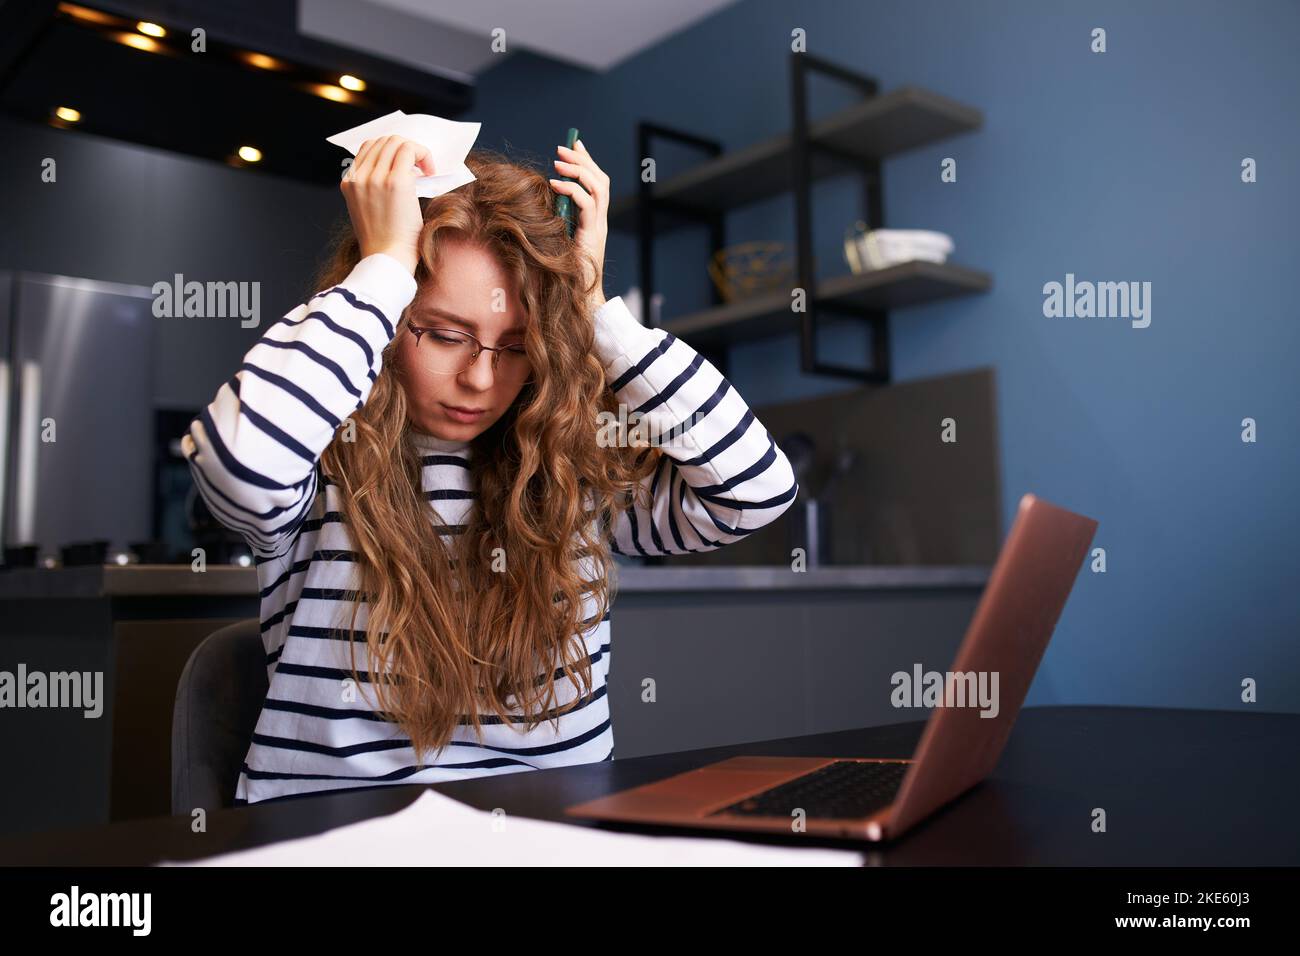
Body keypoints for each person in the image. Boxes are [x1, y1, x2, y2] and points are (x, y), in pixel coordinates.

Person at [181, 134, 799, 805]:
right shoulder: (317, 455)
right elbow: (243, 465)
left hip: (554, 841)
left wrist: (589, 311)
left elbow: (756, 491)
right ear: (388, 323)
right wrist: (385, 265)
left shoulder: (575, 467)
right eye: (444, 334)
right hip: (335, 844)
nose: (480, 378)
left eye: (517, 346)